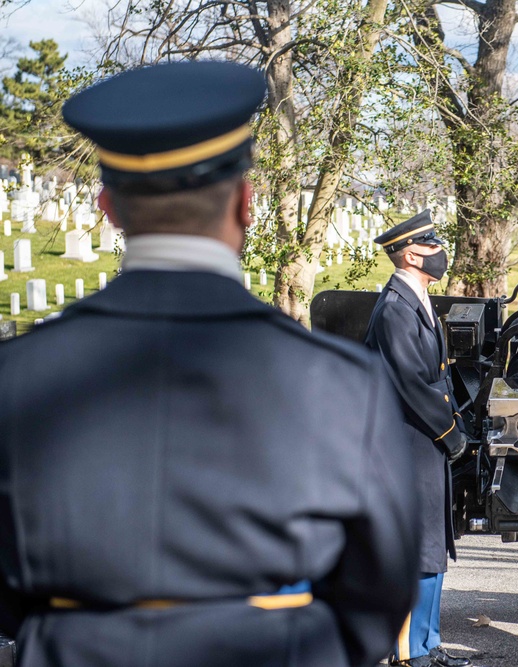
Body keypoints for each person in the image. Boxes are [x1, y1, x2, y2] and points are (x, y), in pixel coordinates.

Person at [0, 61, 422, 667]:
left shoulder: (16, 377)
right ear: (246, 202)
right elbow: (378, 590)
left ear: (108, 208)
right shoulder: (340, 381)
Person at [366, 212, 470, 667]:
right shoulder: (395, 307)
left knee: (432, 545)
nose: (439, 254)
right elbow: (411, 381)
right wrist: (451, 433)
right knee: (415, 548)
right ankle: (408, 650)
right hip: (409, 440)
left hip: (423, 439)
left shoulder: (417, 299)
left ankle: (428, 643)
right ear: (411, 254)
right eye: (431, 247)